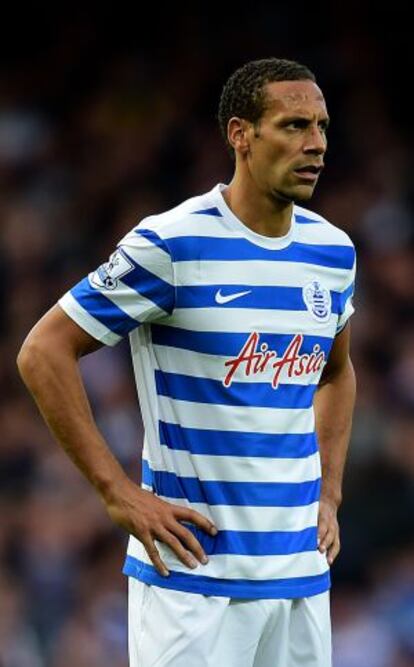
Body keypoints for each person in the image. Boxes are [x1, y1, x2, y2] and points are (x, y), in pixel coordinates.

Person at [17, 57, 356, 667]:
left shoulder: (332, 251)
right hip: (193, 582)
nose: (316, 145)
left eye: (323, 127)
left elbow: (336, 370)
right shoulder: (171, 243)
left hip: (300, 577)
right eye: (294, 125)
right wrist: (117, 493)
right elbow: (44, 351)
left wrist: (328, 491)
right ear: (240, 135)